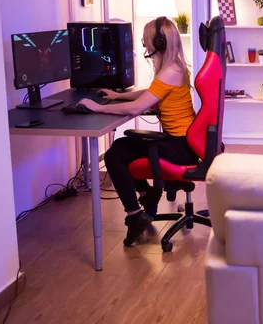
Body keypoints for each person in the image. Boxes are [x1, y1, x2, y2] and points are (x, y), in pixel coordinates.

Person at [78, 17, 198, 246]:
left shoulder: (170, 70)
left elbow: (138, 107)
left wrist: (98, 107)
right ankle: (144, 196)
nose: (144, 43)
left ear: (160, 42)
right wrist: (118, 96)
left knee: (115, 155)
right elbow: (150, 93)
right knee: (123, 147)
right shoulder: (175, 67)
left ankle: (135, 214)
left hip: (179, 147)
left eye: (147, 39)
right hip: (182, 142)